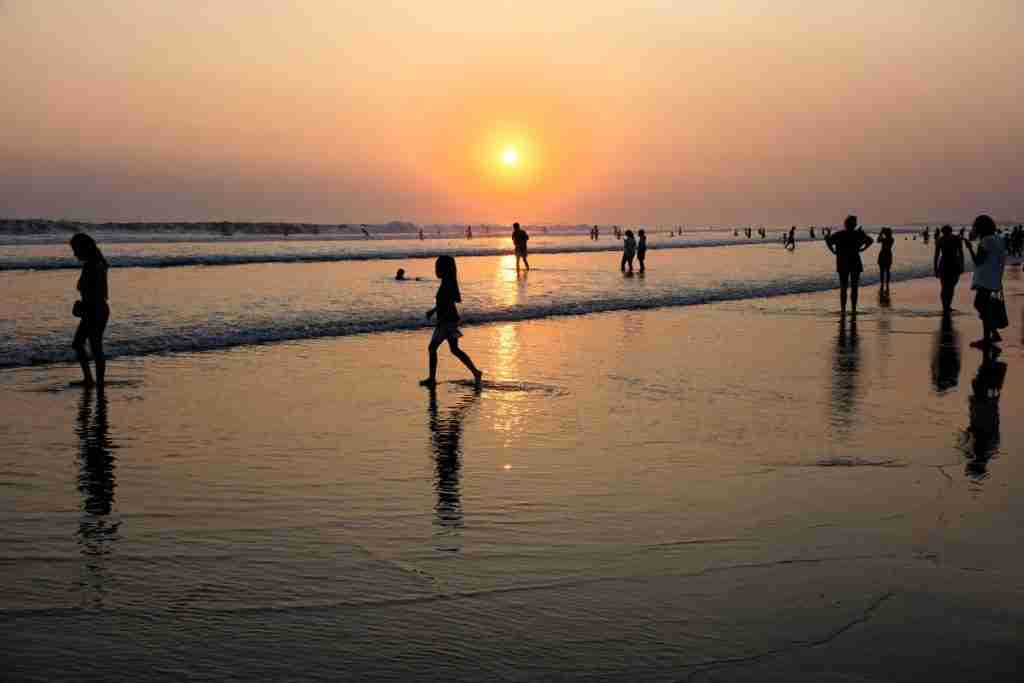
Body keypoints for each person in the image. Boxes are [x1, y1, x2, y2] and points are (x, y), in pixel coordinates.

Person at [419, 256, 483, 387]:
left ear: (445, 269)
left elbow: (448, 302)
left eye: (438, 267)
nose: (436, 270)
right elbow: (449, 301)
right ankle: (476, 372)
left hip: (446, 322)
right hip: (451, 320)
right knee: (454, 349)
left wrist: (440, 316)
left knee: (432, 348)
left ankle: (432, 379)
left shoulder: (447, 283)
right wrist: (434, 310)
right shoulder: (448, 282)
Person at [70, 233, 110, 388]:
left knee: (94, 346)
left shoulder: (95, 264)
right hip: (93, 309)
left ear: (84, 248)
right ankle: (90, 379)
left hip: (96, 310)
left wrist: (84, 306)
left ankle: (97, 381)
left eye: (76, 250)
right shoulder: (95, 263)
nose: (74, 254)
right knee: (79, 344)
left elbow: (99, 292)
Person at [964, 215, 1007, 349]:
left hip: (985, 279)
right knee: (985, 307)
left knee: (979, 305)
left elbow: (978, 261)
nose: (974, 228)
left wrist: (969, 247)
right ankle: (990, 336)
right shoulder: (998, 239)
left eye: (975, 226)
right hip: (995, 278)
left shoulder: (986, 241)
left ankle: (990, 336)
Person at [825, 215, 874, 316]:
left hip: (842, 262)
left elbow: (828, 241)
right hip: (855, 261)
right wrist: (862, 249)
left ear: (845, 224)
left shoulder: (840, 234)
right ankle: (853, 309)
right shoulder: (857, 234)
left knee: (843, 287)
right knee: (854, 287)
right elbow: (870, 241)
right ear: (854, 224)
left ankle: (843, 310)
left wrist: (833, 251)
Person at [934, 225, 964, 314]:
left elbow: (936, 255)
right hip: (952, 264)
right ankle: (946, 306)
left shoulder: (940, 240)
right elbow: (961, 253)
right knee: (950, 287)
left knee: (945, 287)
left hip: (946, 264)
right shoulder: (955, 239)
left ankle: (946, 306)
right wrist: (962, 265)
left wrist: (935, 268)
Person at [876, 227, 895, 293]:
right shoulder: (892, 239)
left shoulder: (887, 239)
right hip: (888, 255)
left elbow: (878, 240)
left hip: (883, 254)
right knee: (887, 271)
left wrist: (881, 233)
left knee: (882, 271)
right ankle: (886, 284)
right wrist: (882, 233)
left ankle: (882, 284)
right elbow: (879, 240)